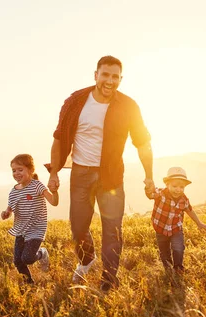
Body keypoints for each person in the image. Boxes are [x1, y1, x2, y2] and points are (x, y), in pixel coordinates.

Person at [46, 55, 155, 292]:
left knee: (112, 230)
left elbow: (143, 143)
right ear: (96, 75)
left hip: (111, 177)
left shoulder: (128, 106)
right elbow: (58, 138)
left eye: (115, 76)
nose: (109, 80)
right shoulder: (75, 102)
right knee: (78, 228)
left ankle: (108, 282)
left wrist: (149, 176)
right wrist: (54, 173)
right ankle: (87, 260)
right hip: (80, 175)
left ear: (120, 79)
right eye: (105, 74)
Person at [1, 154, 59, 284]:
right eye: (14, 170)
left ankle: (42, 254)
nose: (16, 173)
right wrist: (6, 213)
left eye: (20, 170)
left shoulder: (37, 186)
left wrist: (54, 191)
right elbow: (9, 209)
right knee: (17, 261)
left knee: (27, 258)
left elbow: (54, 202)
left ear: (30, 170)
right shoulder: (14, 191)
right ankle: (29, 283)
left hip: (36, 229)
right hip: (21, 230)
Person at [147, 167, 206, 274]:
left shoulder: (184, 199)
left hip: (176, 228)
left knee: (178, 248)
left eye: (181, 187)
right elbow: (151, 194)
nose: (178, 190)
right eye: (174, 186)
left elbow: (190, 211)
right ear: (167, 185)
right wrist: (149, 188)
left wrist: (199, 223)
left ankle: (178, 268)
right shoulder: (161, 194)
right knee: (164, 251)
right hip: (161, 229)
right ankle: (168, 269)